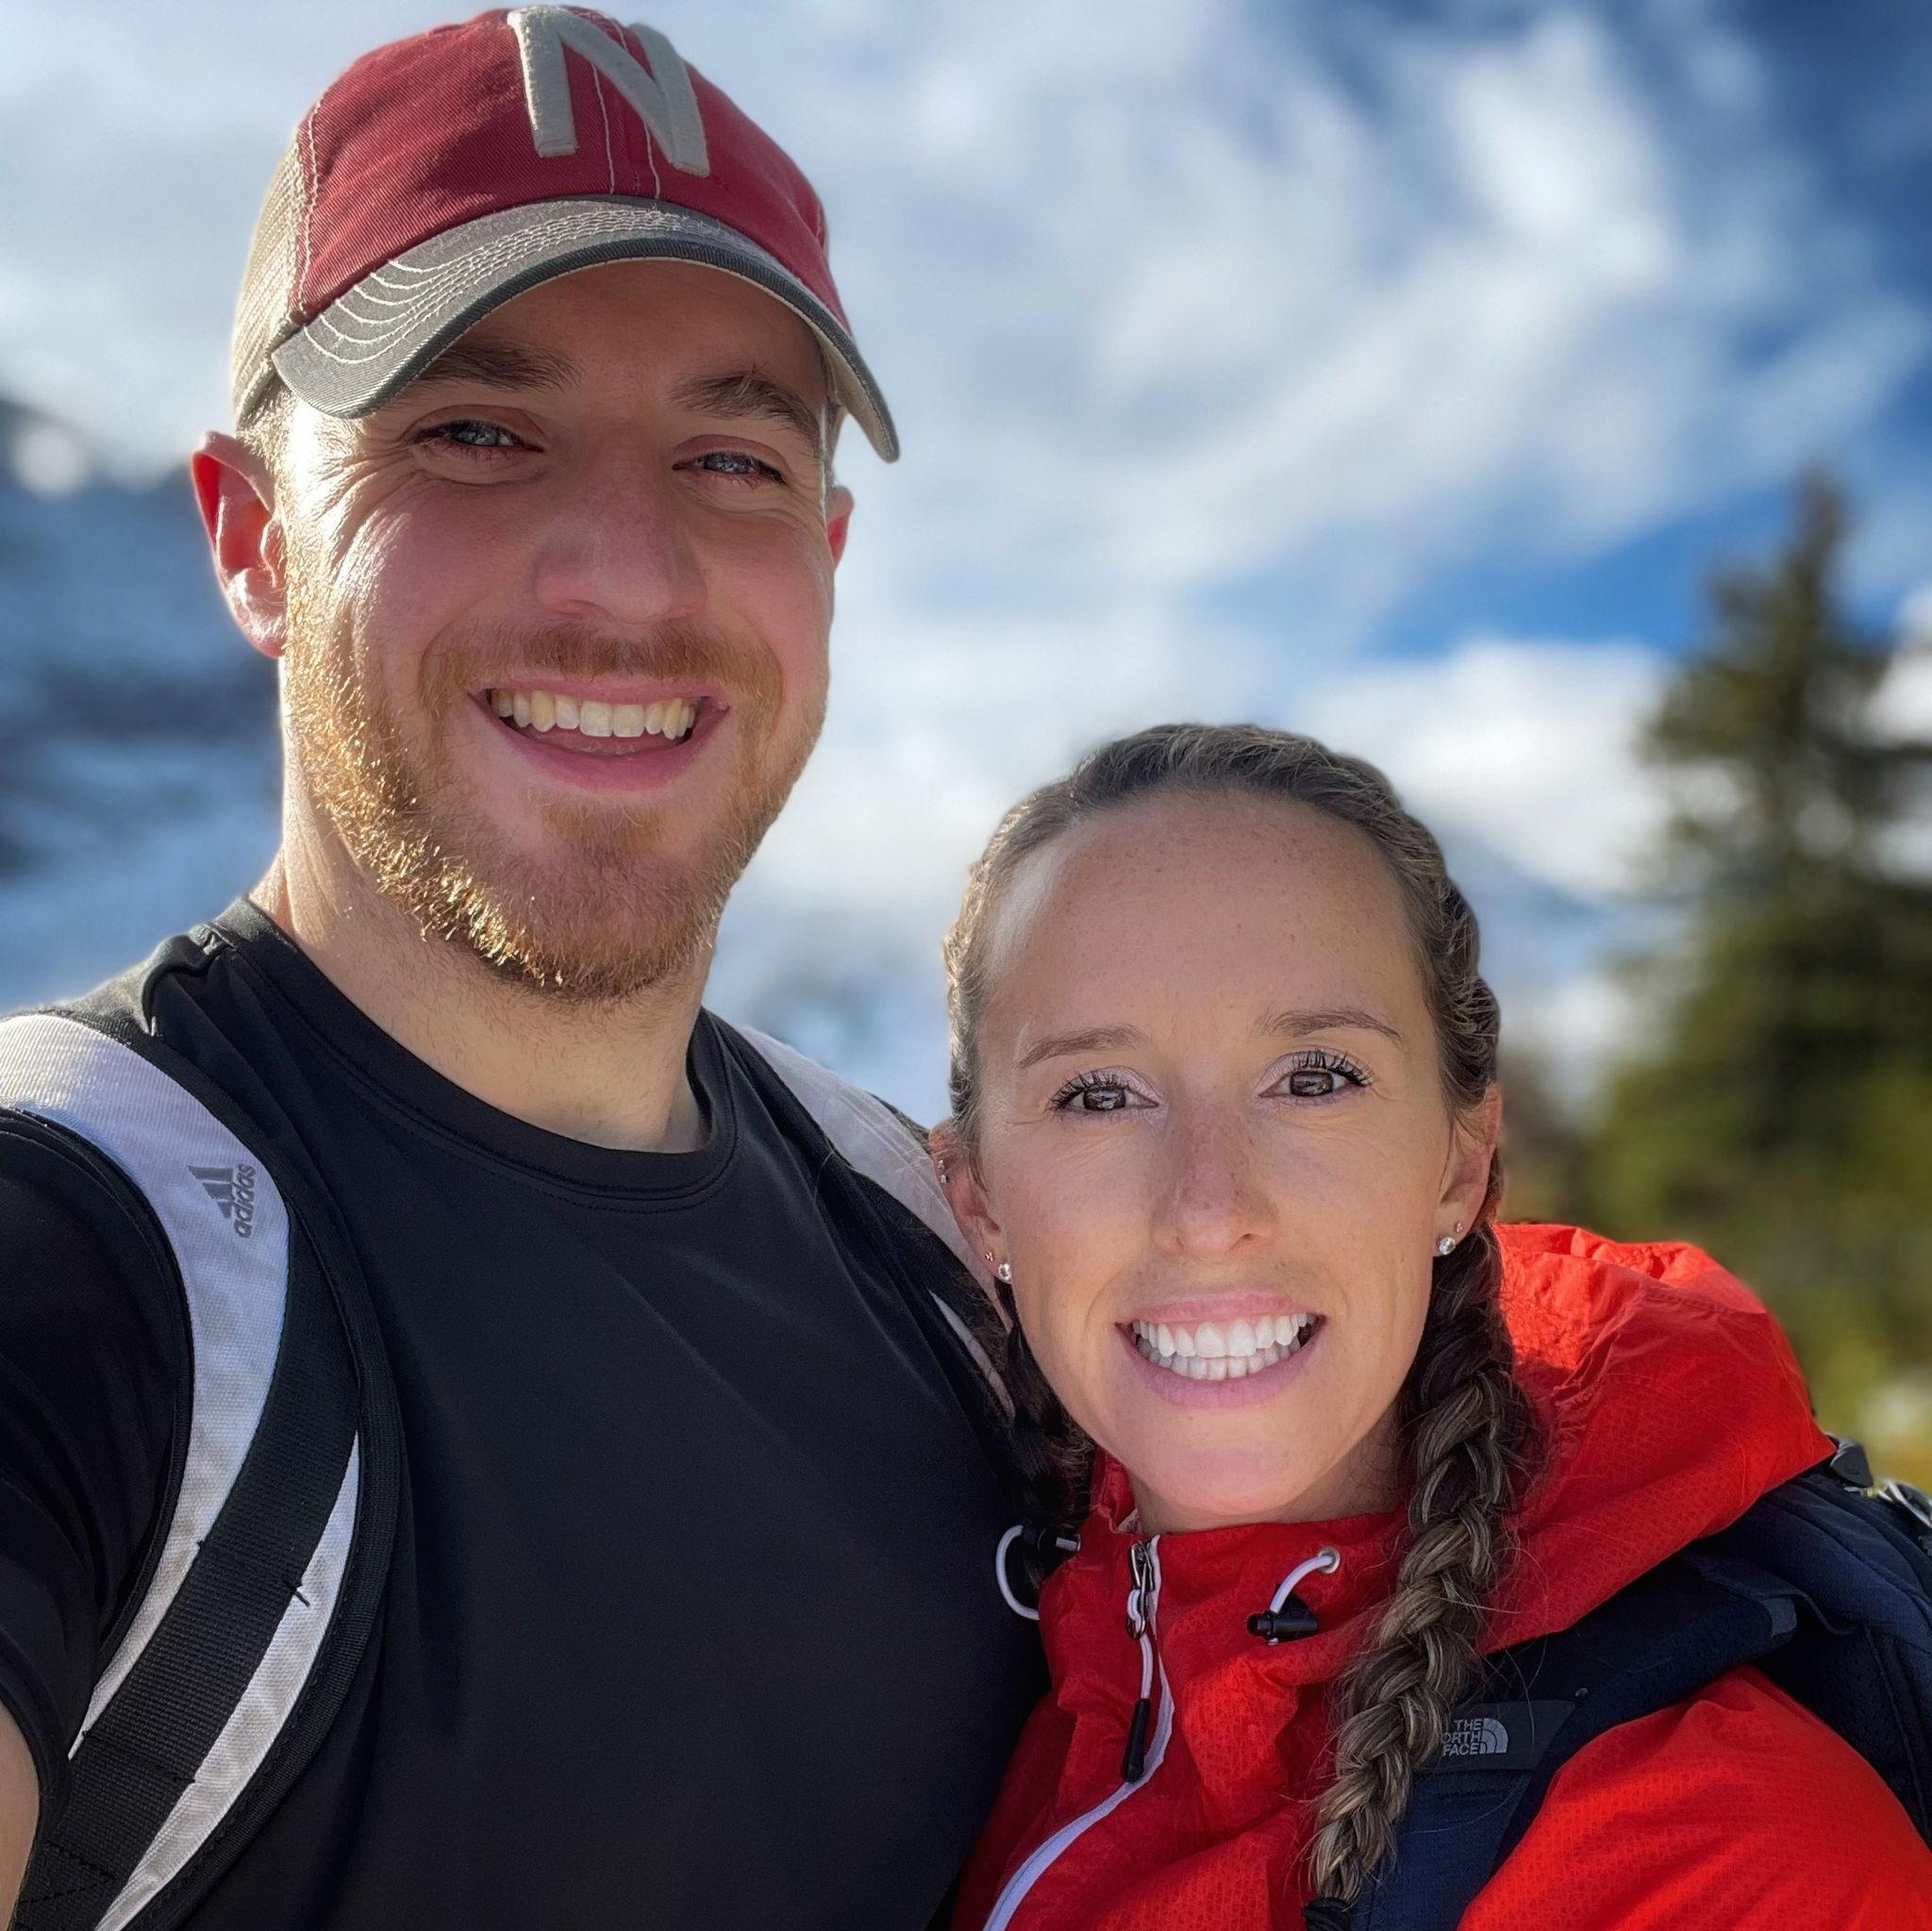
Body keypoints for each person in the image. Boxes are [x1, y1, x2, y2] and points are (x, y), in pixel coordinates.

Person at [0, 11, 1034, 1929]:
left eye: (730, 455)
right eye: (476, 432)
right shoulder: (82, 1239)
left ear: (828, 553)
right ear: (251, 539)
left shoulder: (945, 1251)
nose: (626, 580)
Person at [930, 723, 1932, 1929]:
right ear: (974, 1193)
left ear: (1460, 1163)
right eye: (1098, 1094)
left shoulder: (1723, 1857)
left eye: (1313, 1077)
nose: (1208, 1210)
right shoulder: (971, 1648)